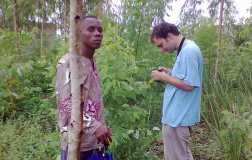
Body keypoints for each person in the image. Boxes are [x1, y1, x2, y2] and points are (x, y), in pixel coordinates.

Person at [55, 15, 113, 160]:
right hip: (76, 143)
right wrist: (94, 126)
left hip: (95, 142)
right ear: (78, 34)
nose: (98, 33)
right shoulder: (68, 62)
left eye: (100, 30)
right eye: (91, 29)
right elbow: (65, 103)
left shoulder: (91, 60)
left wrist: (99, 128)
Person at [150, 22, 203, 160]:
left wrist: (165, 77)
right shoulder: (186, 49)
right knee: (182, 155)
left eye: (161, 45)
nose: (161, 50)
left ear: (169, 36)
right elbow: (186, 76)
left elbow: (189, 85)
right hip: (178, 116)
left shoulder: (188, 52)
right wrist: (170, 73)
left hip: (177, 118)